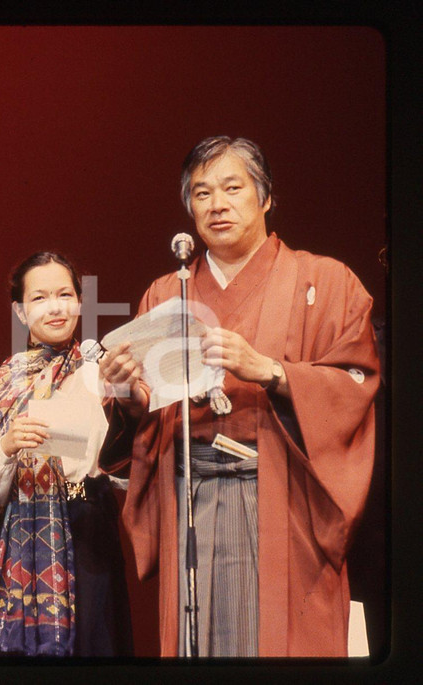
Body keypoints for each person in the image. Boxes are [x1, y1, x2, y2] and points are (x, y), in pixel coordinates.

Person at [100, 136, 379, 656]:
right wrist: (126, 395)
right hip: (190, 492)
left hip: (284, 495)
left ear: (266, 197)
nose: (217, 204)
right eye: (201, 194)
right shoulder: (168, 293)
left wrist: (272, 371)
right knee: (196, 639)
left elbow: (353, 383)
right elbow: (145, 413)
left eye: (233, 187)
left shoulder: (326, 281)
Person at [0, 252, 134, 657]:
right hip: (22, 540)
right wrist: (6, 445)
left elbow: (129, 470)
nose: (55, 307)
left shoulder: (104, 373)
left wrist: (126, 399)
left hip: (90, 531)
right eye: (39, 298)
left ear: (79, 301)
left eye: (64, 294)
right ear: (20, 312)